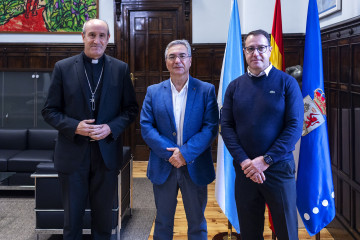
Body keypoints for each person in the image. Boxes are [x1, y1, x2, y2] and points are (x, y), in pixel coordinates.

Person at [42, 19, 138, 240]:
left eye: (102, 35)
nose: (97, 40)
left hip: (106, 154)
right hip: (72, 154)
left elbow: (131, 109)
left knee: (104, 219)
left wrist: (111, 128)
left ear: (108, 39)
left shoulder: (120, 69)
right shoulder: (63, 68)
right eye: (92, 35)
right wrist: (74, 126)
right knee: (72, 219)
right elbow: (49, 110)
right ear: (83, 36)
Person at [221, 29, 304, 240]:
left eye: (261, 48)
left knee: (286, 231)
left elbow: (294, 127)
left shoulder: (287, 83)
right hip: (246, 171)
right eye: (250, 49)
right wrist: (246, 162)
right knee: (249, 233)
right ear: (244, 52)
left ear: (269, 50)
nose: (255, 53)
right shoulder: (234, 87)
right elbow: (227, 127)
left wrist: (266, 160)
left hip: (278, 170)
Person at [140, 39, 218, 240]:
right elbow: (146, 127)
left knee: (197, 223)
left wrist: (185, 153)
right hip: (163, 166)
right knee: (163, 222)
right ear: (166, 62)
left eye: (182, 55)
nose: (178, 61)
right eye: (172, 56)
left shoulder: (206, 90)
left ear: (190, 60)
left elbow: (210, 128)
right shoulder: (153, 91)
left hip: (195, 166)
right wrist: (172, 154)